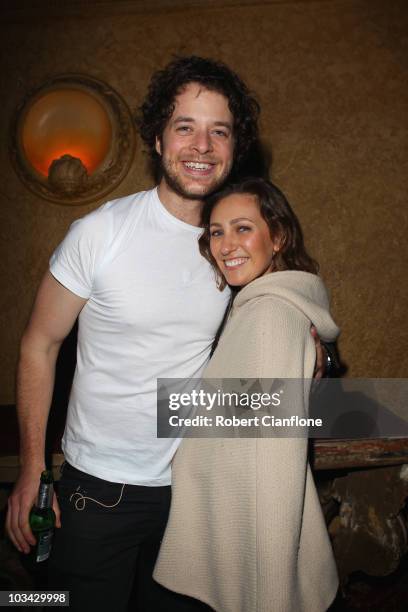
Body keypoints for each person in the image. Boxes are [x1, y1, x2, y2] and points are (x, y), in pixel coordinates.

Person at [6, 56, 326, 611]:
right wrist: (34, 466)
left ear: (234, 146)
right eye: (185, 127)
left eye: (218, 131)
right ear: (157, 139)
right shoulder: (100, 232)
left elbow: (273, 327)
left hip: (194, 493)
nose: (201, 146)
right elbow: (40, 342)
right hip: (94, 492)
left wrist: (310, 353)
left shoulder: (235, 249)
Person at [154, 178, 340, 612]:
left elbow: (272, 460)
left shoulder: (269, 315)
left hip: (248, 557)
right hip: (226, 534)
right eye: (217, 231)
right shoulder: (255, 305)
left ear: (277, 237)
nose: (226, 244)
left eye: (243, 228)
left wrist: (270, 589)